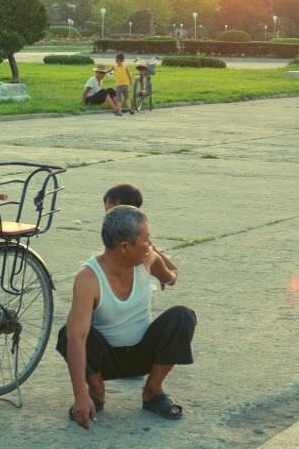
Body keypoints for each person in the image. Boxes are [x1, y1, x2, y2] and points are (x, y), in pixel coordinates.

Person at [58, 206, 196, 429]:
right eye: (146, 239)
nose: (149, 245)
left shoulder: (146, 258)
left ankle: (152, 392)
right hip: (105, 359)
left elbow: (170, 275)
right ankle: (96, 393)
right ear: (125, 246)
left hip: (143, 353)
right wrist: (80, 394)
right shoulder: (88, 278)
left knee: (182, 316)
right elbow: (77, 338)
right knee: (68, 333)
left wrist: (168, 276)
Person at [103, 184, 178, 290]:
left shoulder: (114, 235)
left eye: (109, 208)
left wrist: (166, 274)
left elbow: (170, 274)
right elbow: (171, 273)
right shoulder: (140, 238)